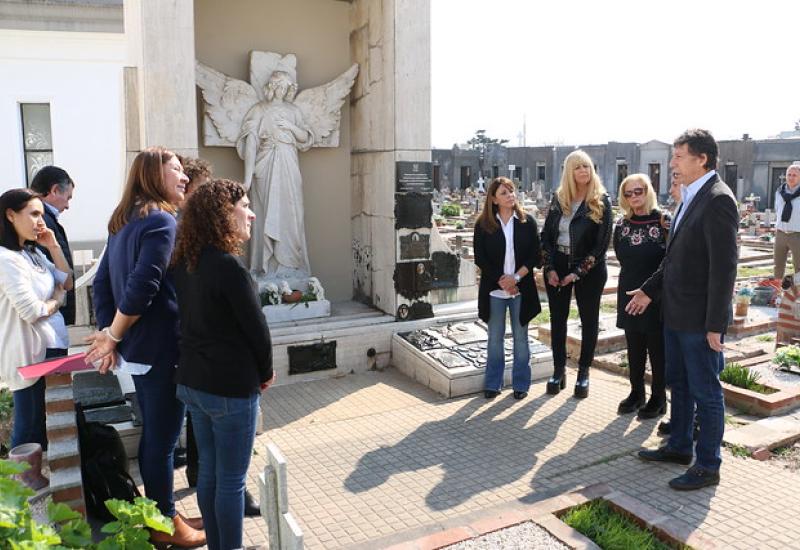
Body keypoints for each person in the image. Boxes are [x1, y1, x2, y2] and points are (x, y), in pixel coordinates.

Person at [84, 147, 205, 547]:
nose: (184, 177)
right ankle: (163, 522)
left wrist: (109, 333)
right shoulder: (161, 220)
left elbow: (102, 283)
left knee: (156, 435)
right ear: (153, 174)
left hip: (138, 350)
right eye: (176, 170)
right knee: (162, 440)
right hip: (161, 349)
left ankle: (164, 513)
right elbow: (143, 285)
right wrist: (112, 337)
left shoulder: (122, 221)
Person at [629, 129, 738, 490]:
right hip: (675, 314)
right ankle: (679, 446)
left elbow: (724, 269)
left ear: (702, 159)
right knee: (679, 384)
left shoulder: (718, 199)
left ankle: (708, 465)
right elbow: (674, 259)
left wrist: (716, 324)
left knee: (706, 393)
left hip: (699, 320)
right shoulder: (690, 196)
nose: (672, 162)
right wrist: (648, 290)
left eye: (679, 156)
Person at [172, 179, 275, 550]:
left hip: (195, 383)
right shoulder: (228, 266)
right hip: (229, 388)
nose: (251, 214)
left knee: (211, 476)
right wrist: (266, 372)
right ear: (221, 215)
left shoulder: (186, 261)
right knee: (231, 481)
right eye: (244, 206)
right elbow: (256, 329)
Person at [0, 188, 73, 450]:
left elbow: (67, 282)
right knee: (29, 431)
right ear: (10, 215)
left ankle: (39, 474)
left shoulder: (32, 253)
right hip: (29, 356)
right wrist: (57, 301)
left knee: (47, 427)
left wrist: (53, 246)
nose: (40, 222)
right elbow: (32, 311)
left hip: (51, 349)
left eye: (42, 215)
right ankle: (22, 477)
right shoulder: (6, 259)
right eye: (33, 214)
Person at [540, 150, 612, 398]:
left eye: (587, 166)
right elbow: (546, 237)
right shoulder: (559, 198)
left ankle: (583, 372)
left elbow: (601, 245)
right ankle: (558, 370)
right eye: (578, 167)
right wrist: (549, 267)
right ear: (569, 172)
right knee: (557, 319)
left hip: (589, 267)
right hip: (558, 263)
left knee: (589, 320)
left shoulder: (601, 200)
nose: (584, 171)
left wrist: (578, 272)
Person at [237, 67, 314, 276]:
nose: (281, 90)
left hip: (289, 162)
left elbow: (305, 137)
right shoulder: (259, 109)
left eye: (284, 87)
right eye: (277, 86)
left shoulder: (294, 111)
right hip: (266, 163)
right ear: (271, 87)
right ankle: (267, 266)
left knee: (292, 211)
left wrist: (290, 126)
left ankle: (290, 264)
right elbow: (251, 143)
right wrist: (247, 179)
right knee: (266, 213)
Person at [473, 177, 541, 400]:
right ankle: (493, 383)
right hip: (494, 290)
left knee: (521, 338)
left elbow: (535, 255)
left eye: (511, 191)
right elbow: (481, 258)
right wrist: (502, 281)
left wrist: (516, 279)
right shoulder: (483, 225)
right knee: (495, 338)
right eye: (504, 192)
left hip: (521, 289)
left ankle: (521, 383)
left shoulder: (526, 222)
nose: (510, 195)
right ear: (493, 199)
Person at [613, 174, 669, 418]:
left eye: (639, 191)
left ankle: (659, 398)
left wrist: (651, 290)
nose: (634, 197)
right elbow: (621, 255)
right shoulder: (621, 224)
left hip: (656, 294)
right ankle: (636, 392)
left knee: (657, 348)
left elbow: (670, 258)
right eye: (628, 193)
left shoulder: (664, 221)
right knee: (634, 345)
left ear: (648, 192)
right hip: (628, 290)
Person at [30, 166, 76, 329]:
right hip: (46, 317)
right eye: (68, 198)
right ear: (55, 190)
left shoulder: (48, 223)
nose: (67, 206)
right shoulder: (44, 223)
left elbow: (66, 280)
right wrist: (56, 301)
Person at [773, 163, 800, 280]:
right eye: (789, 174)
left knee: (798, 267)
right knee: (778, 267)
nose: (791, 177)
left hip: (797, 235)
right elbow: (777, 210)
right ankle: (777, 289)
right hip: (781, 234)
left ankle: (798, 290)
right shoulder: (779, 192)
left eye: (794, 175)